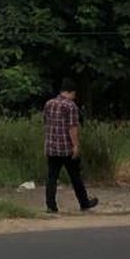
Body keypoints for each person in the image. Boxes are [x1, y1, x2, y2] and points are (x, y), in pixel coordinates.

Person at [44, 81, 98, 214]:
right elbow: (72, 127)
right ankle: (84, 203)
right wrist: (75, 146)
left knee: (52, 177)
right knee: (75, 176)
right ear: (70, 92)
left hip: (52, 147)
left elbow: (46, 124)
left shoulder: (49, 104)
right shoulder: (70, 106)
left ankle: (51, 206)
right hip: (66, 148)